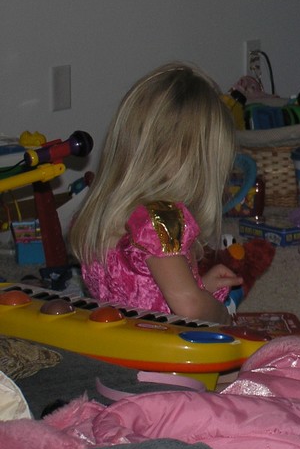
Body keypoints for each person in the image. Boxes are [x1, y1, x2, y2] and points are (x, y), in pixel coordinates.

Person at [69, 62, 242, 325]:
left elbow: (142, 294)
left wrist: (200, 286)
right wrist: (223, 317)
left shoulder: (105, 212)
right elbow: (190, 308)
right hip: (157, 344)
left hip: (114, 338)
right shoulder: (162, 220)